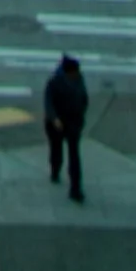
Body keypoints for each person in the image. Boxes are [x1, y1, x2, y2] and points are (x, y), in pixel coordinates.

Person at [44, 52, 89, 200]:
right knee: (56, 150)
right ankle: (55, 170)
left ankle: (75, 188)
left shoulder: (79, 80)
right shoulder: (55, 82)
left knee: (74, 155)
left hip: (73, 122)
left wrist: (81, 115)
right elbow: (48, 102)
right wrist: (54, 118)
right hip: (57, 123)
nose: (77, 74)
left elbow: (84, 99)